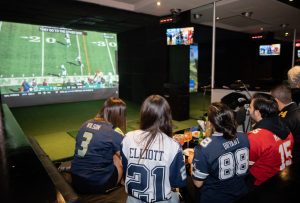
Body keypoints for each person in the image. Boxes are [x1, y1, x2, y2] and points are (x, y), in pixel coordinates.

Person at [121, 95, 186, 203]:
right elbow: (179, 182)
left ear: (144, 113)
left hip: (133, 199)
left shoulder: (127, 138)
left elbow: (126, 170)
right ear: (167, 116)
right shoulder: (173, 145)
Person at [191, 102, 250, 203]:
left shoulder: (203, 148)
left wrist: (192, 161)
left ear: (210, 123)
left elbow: (198, 183)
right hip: (241, 192)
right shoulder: (244, 137)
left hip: (216, 198)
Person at [70, 97, 126, 194]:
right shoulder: (113, 131)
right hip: (96, 184)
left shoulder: (85, 123)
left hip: (76, 179)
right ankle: (122, 183)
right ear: (119, 115)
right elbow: (127, 157)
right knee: (119, 158)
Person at [247, 93, 294, 187]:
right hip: (282, 178)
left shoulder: (255, 137)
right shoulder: (287, 129)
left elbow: (243, 167)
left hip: (260, 185)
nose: (248, 109)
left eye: (250, 107)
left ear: (257, 112)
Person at [271, 83, 300, 163]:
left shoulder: (282, 118)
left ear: (276, 100)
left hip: (291, 160)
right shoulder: (296, 110)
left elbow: (276, 144)